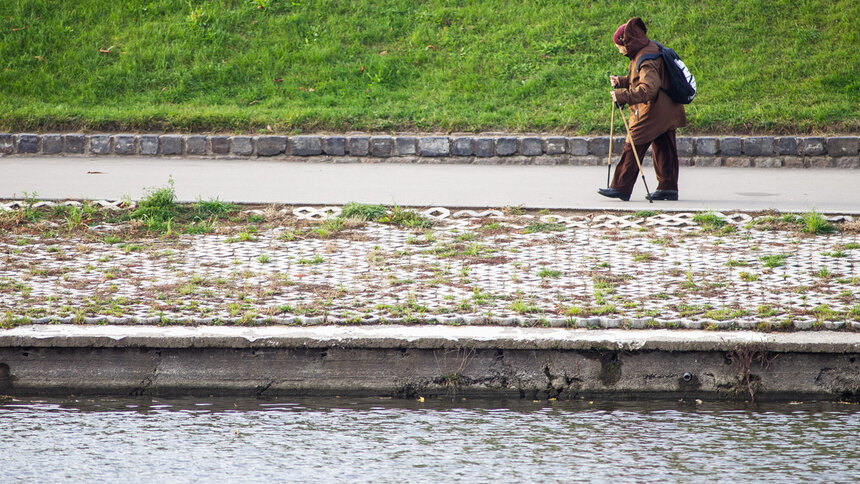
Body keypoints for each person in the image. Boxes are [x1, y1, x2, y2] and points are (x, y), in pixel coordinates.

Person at [598, 17, 686, 201]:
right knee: (664, 145)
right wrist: (622, 81)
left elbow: (648, 88)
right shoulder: (648, 48)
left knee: (634, 141)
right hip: (668, 106)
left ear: (626, 42)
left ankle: (620, 187)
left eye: (619, 46)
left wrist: (623, 95)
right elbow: (643, 79)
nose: (619, 50)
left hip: (655, 109)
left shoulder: (645, 58)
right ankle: (668, 187)